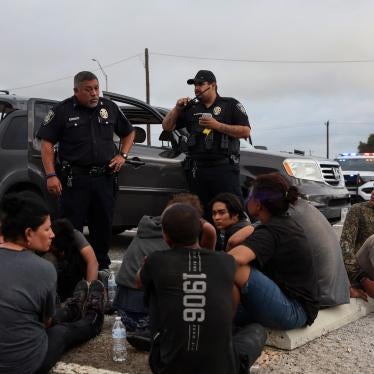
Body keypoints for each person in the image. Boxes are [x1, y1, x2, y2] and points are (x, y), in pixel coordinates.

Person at [136, 203, 266, 374]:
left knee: (152, 283)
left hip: (167, 367)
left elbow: (138, 282)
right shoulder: (226, 262)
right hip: (223, 369)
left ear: (165, 236)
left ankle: (159, 338)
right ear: (198, 231)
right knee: (257, 331)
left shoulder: (156, 261)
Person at [37, 71, 135, 271]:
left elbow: (129, 132)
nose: (94, 93)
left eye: (96, 88)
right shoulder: (62, 111)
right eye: (88, 89)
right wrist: (51, 175)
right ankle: (71, 272)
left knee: (103, 227)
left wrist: (122, 155)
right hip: (74, 181)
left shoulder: (109, 108)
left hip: (104, 179)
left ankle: (101, 271)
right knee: (70, 230)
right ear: (76, 91)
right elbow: (46, 144)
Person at [0, 191, 105, 374]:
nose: (52, 235)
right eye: (47, 229)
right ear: (29, 233)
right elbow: (47, 321)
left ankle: (71, 308)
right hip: (25, 365)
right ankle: (92, 318)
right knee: (61, 332)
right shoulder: (43, 269)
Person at [114, 193, 216, 346]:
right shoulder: (176, 234)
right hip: (147, 314)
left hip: (123, 313)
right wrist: (208, 229)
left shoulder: (147, 225)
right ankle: (154, 332)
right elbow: (205, 264)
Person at [229, 173, 319, 330]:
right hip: (296, 306)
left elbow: (235, 259)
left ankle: (222, 330)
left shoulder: (272, 230)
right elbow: (234, 243)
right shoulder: (283, 223)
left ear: (258, 204)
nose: (247, 199)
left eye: (250, 195)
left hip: (294, 310)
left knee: (234, 268)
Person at [162, 70, 251, 217]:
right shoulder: (191, 108)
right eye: (195, 85)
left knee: (232, 212)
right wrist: (177, 108)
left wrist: (218, 126)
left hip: (224, 169)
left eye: (200, 84)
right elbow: (167, 126)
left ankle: (233, 240)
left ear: (213, 85)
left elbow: (245, 131)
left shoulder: (230, 104)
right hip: (199, 170)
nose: (196, 88)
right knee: (202, 213)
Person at [288, 198, 350, 307]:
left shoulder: (287, 213)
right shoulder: (305, 206)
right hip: (337, 288)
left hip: (320, 297)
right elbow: (347, 250)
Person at [43, 218, 99, 302]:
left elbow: (93, 262)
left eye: (63, 251)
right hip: (53, 280)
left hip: (72, 276)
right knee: (49, 259)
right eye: (58, 251)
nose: (61, 254)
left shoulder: (74, 235)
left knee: (83, 257)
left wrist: (89, 294)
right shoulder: (45, 239)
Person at [340, 190, 374, 300]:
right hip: (360, 270)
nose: (373, 193)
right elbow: (345, 246)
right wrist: (362, 278)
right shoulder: (358, 210)